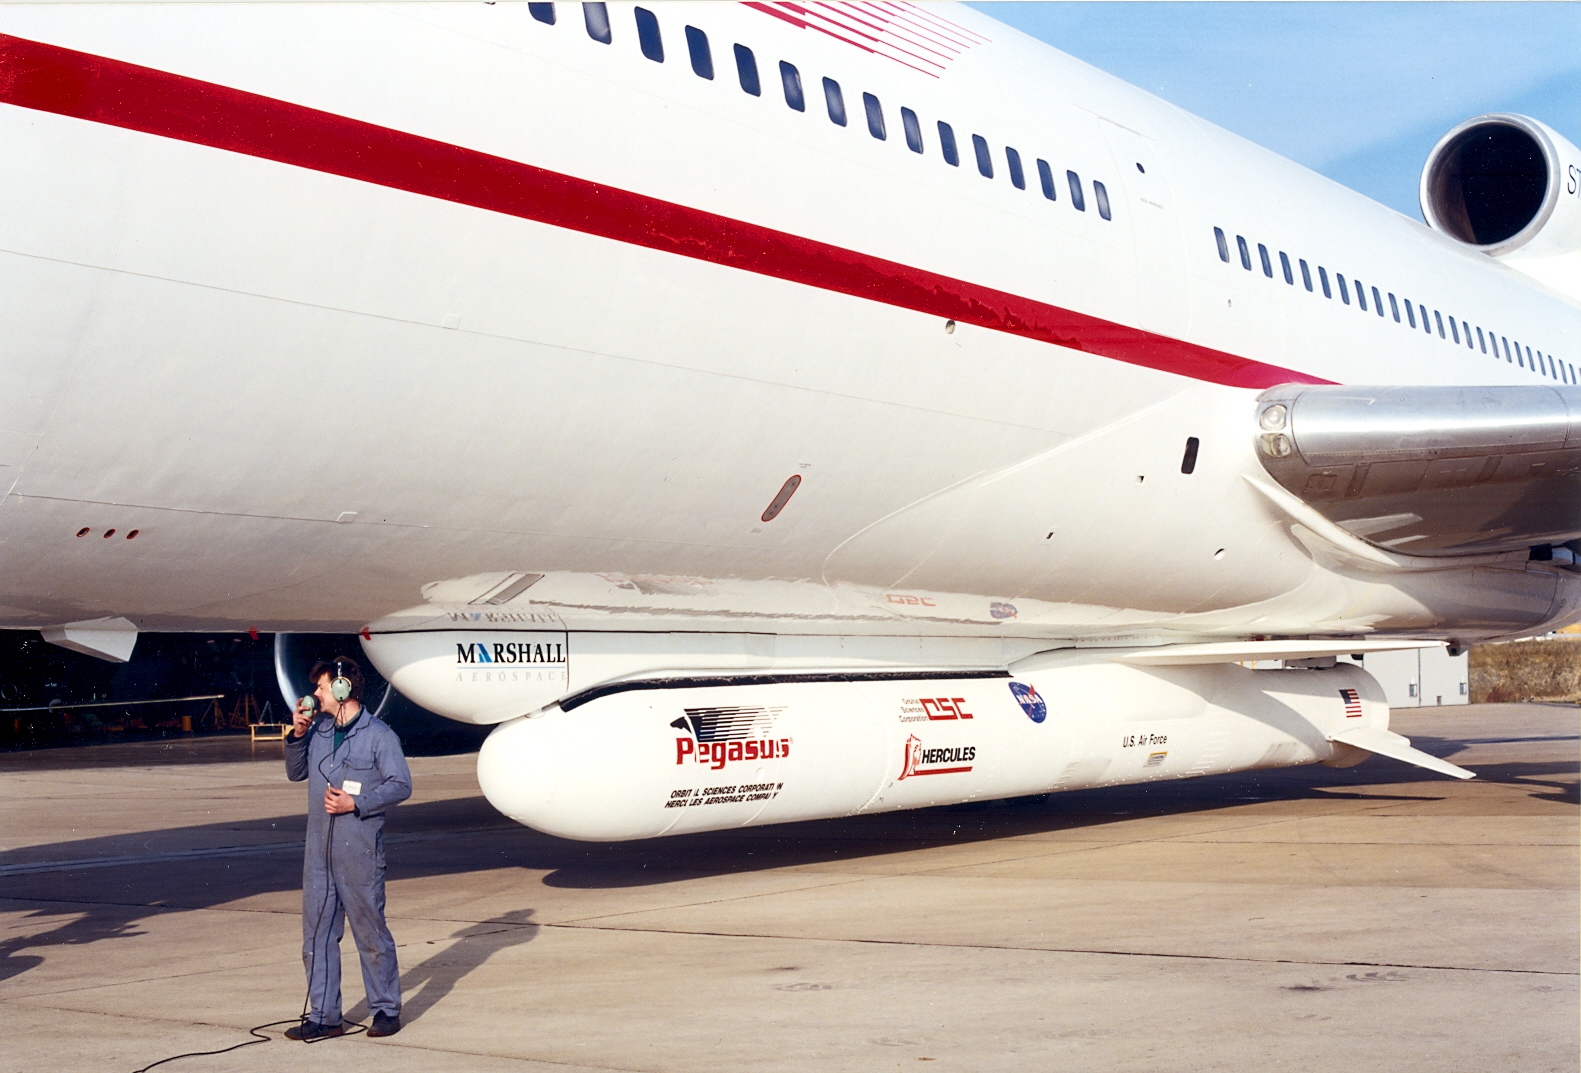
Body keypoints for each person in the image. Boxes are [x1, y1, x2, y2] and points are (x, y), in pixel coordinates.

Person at [284, 655, 412, 1041]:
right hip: (318, 852)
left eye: (321, 687)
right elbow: (296, 772)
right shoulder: (319, 730)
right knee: (318, 935)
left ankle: (386, 1011)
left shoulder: (379, 735)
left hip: (358, 852)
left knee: (370, 933)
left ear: (342, 689)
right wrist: (297, 734)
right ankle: (325, 1016)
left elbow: (400, 784)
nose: (315, 694)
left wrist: (356, 803)